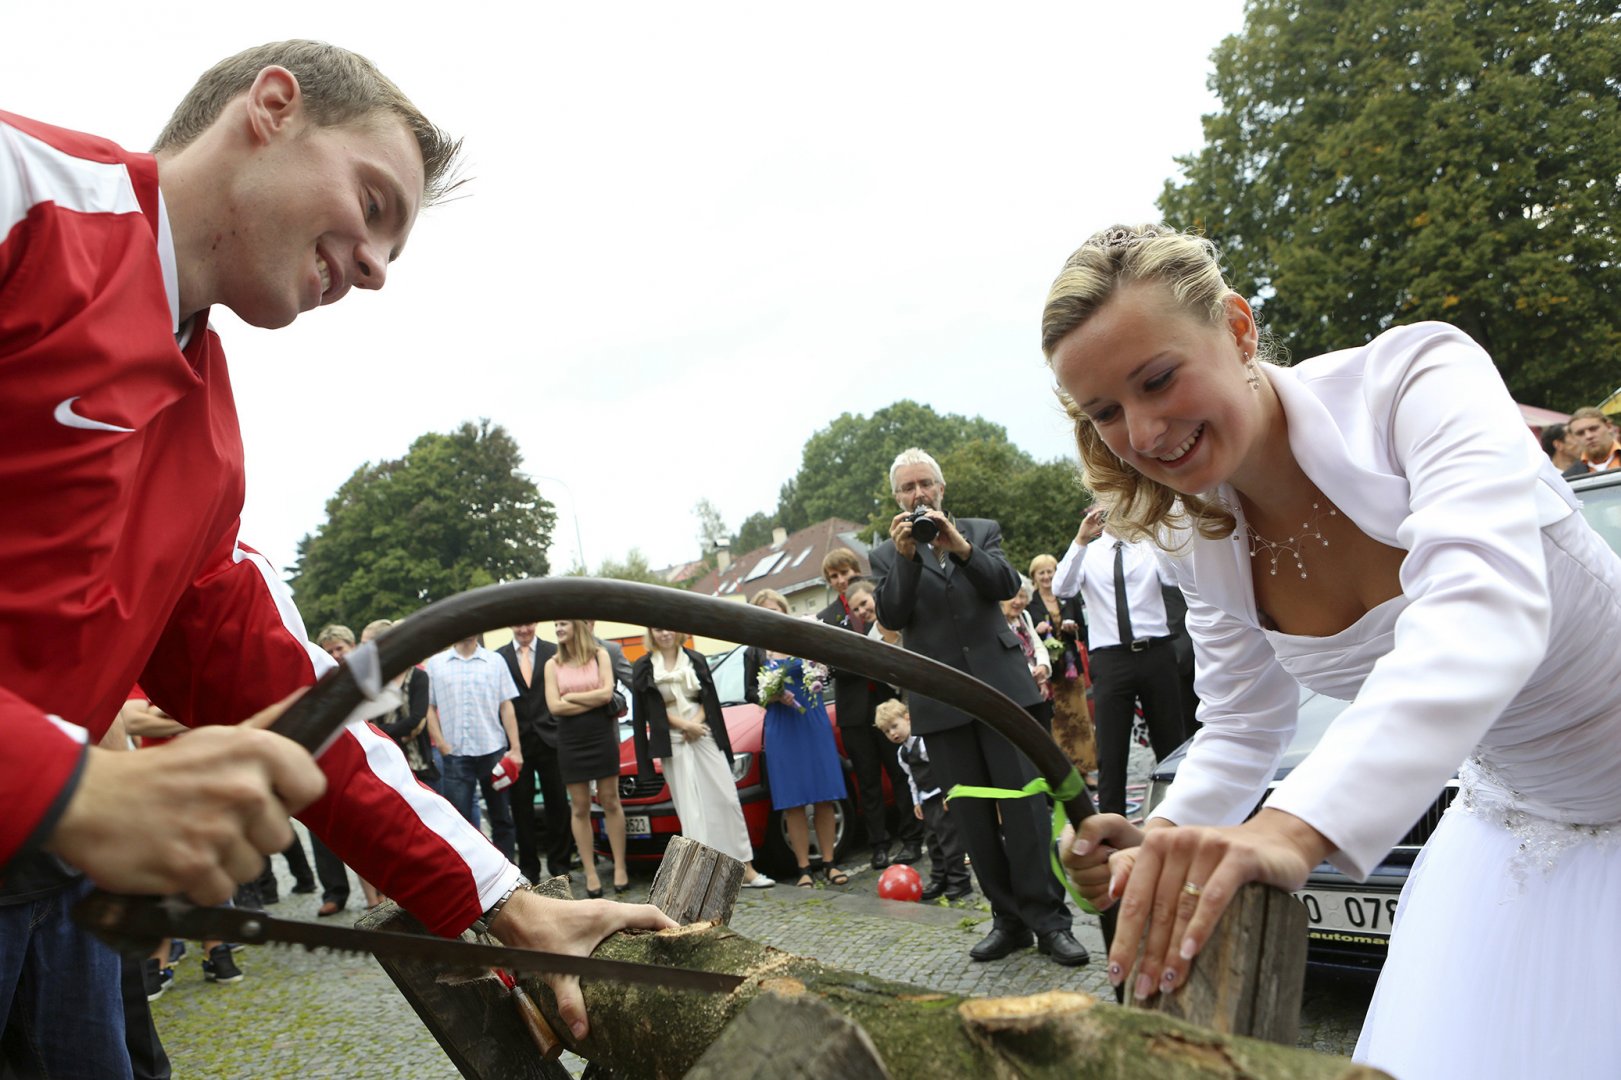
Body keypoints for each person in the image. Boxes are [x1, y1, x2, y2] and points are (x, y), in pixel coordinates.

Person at [0, 43, 668, 1073]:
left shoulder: (208, 442)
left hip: (48, 882)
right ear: (273, 107)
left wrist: (501, 897)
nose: (376, 270)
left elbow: (292, 698)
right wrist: (66, 786)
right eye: (373, 202)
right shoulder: (25, 198)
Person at [1044, 223, 1621, 1078]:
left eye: (1157, 379)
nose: (1143, 430)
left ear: (1237, 328)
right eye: (1104, 413)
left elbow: (1483, 605)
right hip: (1517, 833)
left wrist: (1295, 827)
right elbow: (1241, 723)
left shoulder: (1416, 379)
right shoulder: (1194, 535)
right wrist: (1161, 839)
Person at [870, 448, 1087, 967]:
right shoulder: (886, 554)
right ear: (896, 498)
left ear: (941, 488)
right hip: (941, 702)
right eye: (908, 488)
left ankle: (1050, 922)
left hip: (1003, 691)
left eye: (925, 483)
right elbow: (892, 615)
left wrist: (960, 547)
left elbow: (1006, 585)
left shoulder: (980, 531)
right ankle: (1007, 920)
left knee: (1026, 809)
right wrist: (906, 559)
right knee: (971, 819)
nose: (918, 494)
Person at [1051, 510, 1189, 816]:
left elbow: (1173, 577)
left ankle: (1181, 815)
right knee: (1111, 750)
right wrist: (1080, 539)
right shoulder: (1087, 552)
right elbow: (1062, 588)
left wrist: (1153, 532)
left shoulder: (1147, 545)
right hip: (1111, 658)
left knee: (1171, 741)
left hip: (1155, 652)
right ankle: (1112, 824)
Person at [630, 628, 773, 888]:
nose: (664, 633)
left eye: (668, 627)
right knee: (691, 810)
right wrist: (685, 726)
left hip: (704, 733)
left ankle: (745, 869)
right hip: (673, 740)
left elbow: (709, 698)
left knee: (727, 800)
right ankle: (702, 878)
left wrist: (694, 724)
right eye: (658, 629)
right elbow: (650, 710)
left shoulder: (695, 658)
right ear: (651, 633)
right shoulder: (643, 666)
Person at [817, 553, 923, 869]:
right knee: (868, 781)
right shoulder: (827, 618)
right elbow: (830, 665)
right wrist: (863, 661)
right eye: (834, 576)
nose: (841, 580)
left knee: (901, 772)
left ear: (856, 571)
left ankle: (912, 838)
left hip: (888, 705)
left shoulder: (878, 601)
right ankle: (879, 844)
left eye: (845, 572)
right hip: (854, 713)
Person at [745, 589, 851, 888]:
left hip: (812, 721)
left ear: (785, 610)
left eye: (775, 610)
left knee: (825, 794)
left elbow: (826, 673)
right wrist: (771, 695)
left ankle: (830, 863)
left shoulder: (803, 636)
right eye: (764, 611)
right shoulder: (755, 650)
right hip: (782, 726)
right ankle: (803, 868)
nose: (771, 615)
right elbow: (749, 691)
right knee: (792, 801)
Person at [543, 620, 627, 899]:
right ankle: (591, 873)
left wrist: (571, 696)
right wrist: (590, 699)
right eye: (556, 624)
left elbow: (607, 694)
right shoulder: (552, 664)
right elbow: (554, 706)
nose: (558, 628)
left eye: (563, 623)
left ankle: (620, 867)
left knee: (610, 800)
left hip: (601, 735)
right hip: (570, 740)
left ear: (577, 626)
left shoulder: (600, 655)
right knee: (579, 806)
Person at [425, 635, 522, 862]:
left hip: (493, 750)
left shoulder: (495, 661)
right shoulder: (436, 664)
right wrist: (441, 743)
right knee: (459, 822)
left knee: (502, 818)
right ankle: (472, 873)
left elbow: (506, 705)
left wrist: (515, 748)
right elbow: (428, 707)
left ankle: (508, 871)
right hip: (455, 754)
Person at [874, 700, 971, 903]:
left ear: (908, 719)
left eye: (895, 726)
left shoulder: (923, 743)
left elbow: (942, 767)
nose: (893, 733)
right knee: (933, 843)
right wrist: (916, 802)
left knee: (950, 842)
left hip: (940, 797)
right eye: (887, 731)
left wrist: (948, 793)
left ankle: (959, 880)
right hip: (926, 801)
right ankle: (939, 879)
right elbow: (912, 778)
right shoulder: (902, 754)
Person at [496, 624, 572, 883]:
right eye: (518, 624)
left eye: (528, 623)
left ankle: (560, 866)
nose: (523, 629)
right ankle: (529, 869)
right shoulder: (499, 657)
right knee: (520, 808)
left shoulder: (555, 651)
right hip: (516, 744)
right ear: (511, 626)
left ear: (536, 624)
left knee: (558, 804)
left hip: (551, 739)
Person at [1026, 553, 1095, 773]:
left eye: (1050, 571)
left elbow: (1084, 632)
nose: (1046, 577)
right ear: (1034, 577)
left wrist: (1073, 629)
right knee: (1058, 723)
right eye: (1042, 573)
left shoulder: (1068, 598)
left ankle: (1085, 769)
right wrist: (1038, 631)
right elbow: (1027, 639)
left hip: (1072, 670)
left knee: (1080, 720)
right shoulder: (1030, 604)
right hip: (1050, 673)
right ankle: (1065, 773)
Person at [364, 620, 437, 793]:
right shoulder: (370, 680)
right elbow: (366, 725)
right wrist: (400, 736)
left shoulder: (417, 676)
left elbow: (416, 719)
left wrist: (380, 730)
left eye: (367, 645)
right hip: (385, 765)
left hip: (418, 763)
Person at [1567, 406, 1621, 472]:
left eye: (1593, 429)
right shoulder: (1569, 476)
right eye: (1580, 433)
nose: (1588, 436)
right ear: (1573, 438)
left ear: (1608, 426)